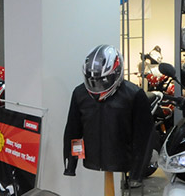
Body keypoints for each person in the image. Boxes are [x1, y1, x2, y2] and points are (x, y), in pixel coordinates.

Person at [63, 45, 155, 181]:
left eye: (103, 80)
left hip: (122, 161)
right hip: (92, 158)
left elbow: (144, 138)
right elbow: (73, 131)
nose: (97, 86)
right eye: (93, 80)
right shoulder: (80, 94)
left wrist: (137, 172)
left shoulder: (134, 95)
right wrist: (70, 165)